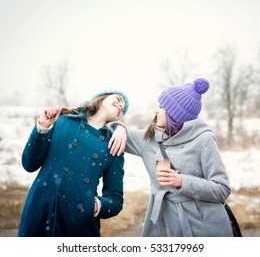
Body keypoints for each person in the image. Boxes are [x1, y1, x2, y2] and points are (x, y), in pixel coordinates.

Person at [109, 78, 234, 237]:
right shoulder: (148, 139)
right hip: (163, 227)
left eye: (161, 107)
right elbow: (101, 130)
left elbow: (222, 189)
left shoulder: (204, 139)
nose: (155, 111)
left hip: (203, 226)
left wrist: (182, 181)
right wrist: (119, 127)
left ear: (174, 114)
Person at [18, 90, 129, 237]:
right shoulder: (63, 121)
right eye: (119, 99)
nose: (122, 105)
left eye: (124, 108)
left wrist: (94, 206)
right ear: (102, 98)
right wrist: (42, 128)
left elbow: (115, 200)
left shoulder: (114, 145)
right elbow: (29, 164)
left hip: (77, 225)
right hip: (39, 212)